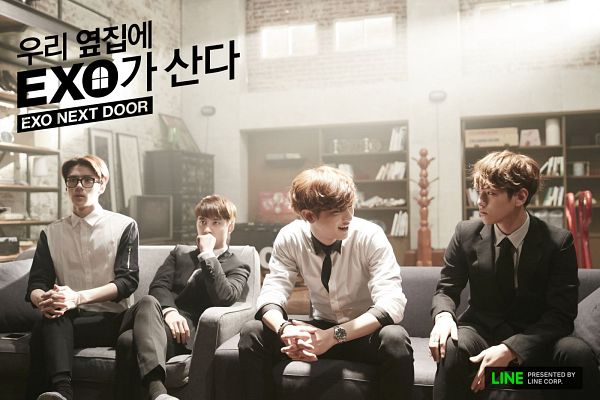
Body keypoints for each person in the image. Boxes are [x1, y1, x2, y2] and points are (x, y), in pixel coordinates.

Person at [429, 150, 599, 399]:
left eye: (490, 194)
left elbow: (561, 315)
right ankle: (499, 377)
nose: (480, 202)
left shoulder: (558, 242)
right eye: (478, 192)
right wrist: (444, 317)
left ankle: (505, 377)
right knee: (451, 348)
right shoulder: (466, 233)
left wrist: (511, 349)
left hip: (535, 337)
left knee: (576, 355)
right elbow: (446, 289)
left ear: (520, 196)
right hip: (482, 330)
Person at [238, 165, 414, 400]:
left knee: (395, 338)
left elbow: (392, 303)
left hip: (361, 332)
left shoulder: (370, 236)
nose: (349, 216)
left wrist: (333, 336)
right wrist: (285, 329)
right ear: (309, 215)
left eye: (350, 205)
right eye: (338, 211)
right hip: (319, 329)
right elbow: (272, 292)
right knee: (252, 332)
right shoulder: (290, 237)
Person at [114, 194, 251, 400]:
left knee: (127, 341)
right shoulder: (180, 254)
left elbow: (224, 297)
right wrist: (170, 312)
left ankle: (154, 392)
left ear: (230, 226)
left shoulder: (238, 266)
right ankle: (158, 394)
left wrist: (208, 255)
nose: (207, 229)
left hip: (183, 334)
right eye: (202, 221)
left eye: (215, 223)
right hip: (155, 316)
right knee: (148, 301)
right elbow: (158, 286)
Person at [25, 155, 139, 400]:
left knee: (44, 328)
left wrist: (77, 297)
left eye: (88, 180)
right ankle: (62, 392)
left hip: (113, 320)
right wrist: (43, 300)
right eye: (73, 180)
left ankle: (57, 392)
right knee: (51, 316)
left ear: (102, 185)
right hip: (70, 321)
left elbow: (127, 282)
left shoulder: (124, 225)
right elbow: (36, 283)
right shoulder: (51, 232)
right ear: (66, 186)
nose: (79, 186)